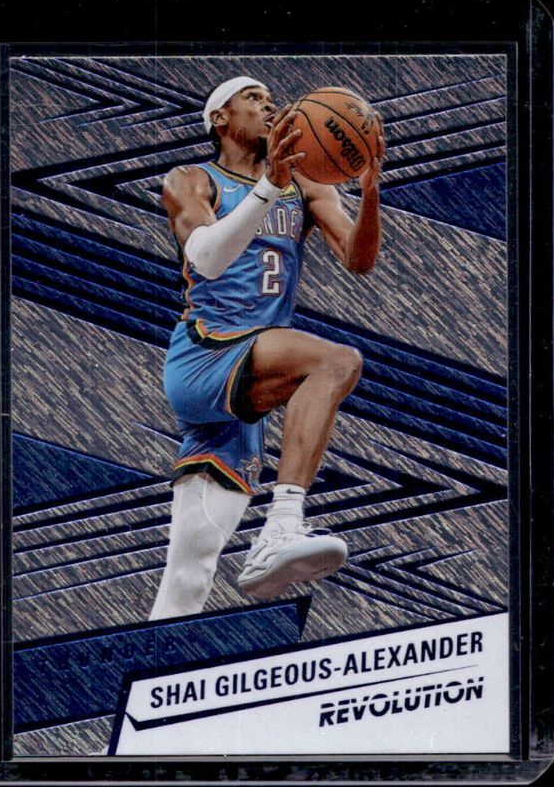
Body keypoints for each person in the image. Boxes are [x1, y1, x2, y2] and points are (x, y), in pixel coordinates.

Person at [149, 76, 384, 620]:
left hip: (248, 377)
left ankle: (159, 654)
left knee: (189, 570)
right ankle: (282, 524)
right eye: (253, 99)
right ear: (220, 118)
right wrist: (268, 186)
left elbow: (359, 259)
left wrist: (371, 191)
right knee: (336, 361)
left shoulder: (306, 185)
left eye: (272, 100)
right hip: (207, 352)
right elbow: (207, 259)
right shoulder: (191, 179)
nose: (269, 106)